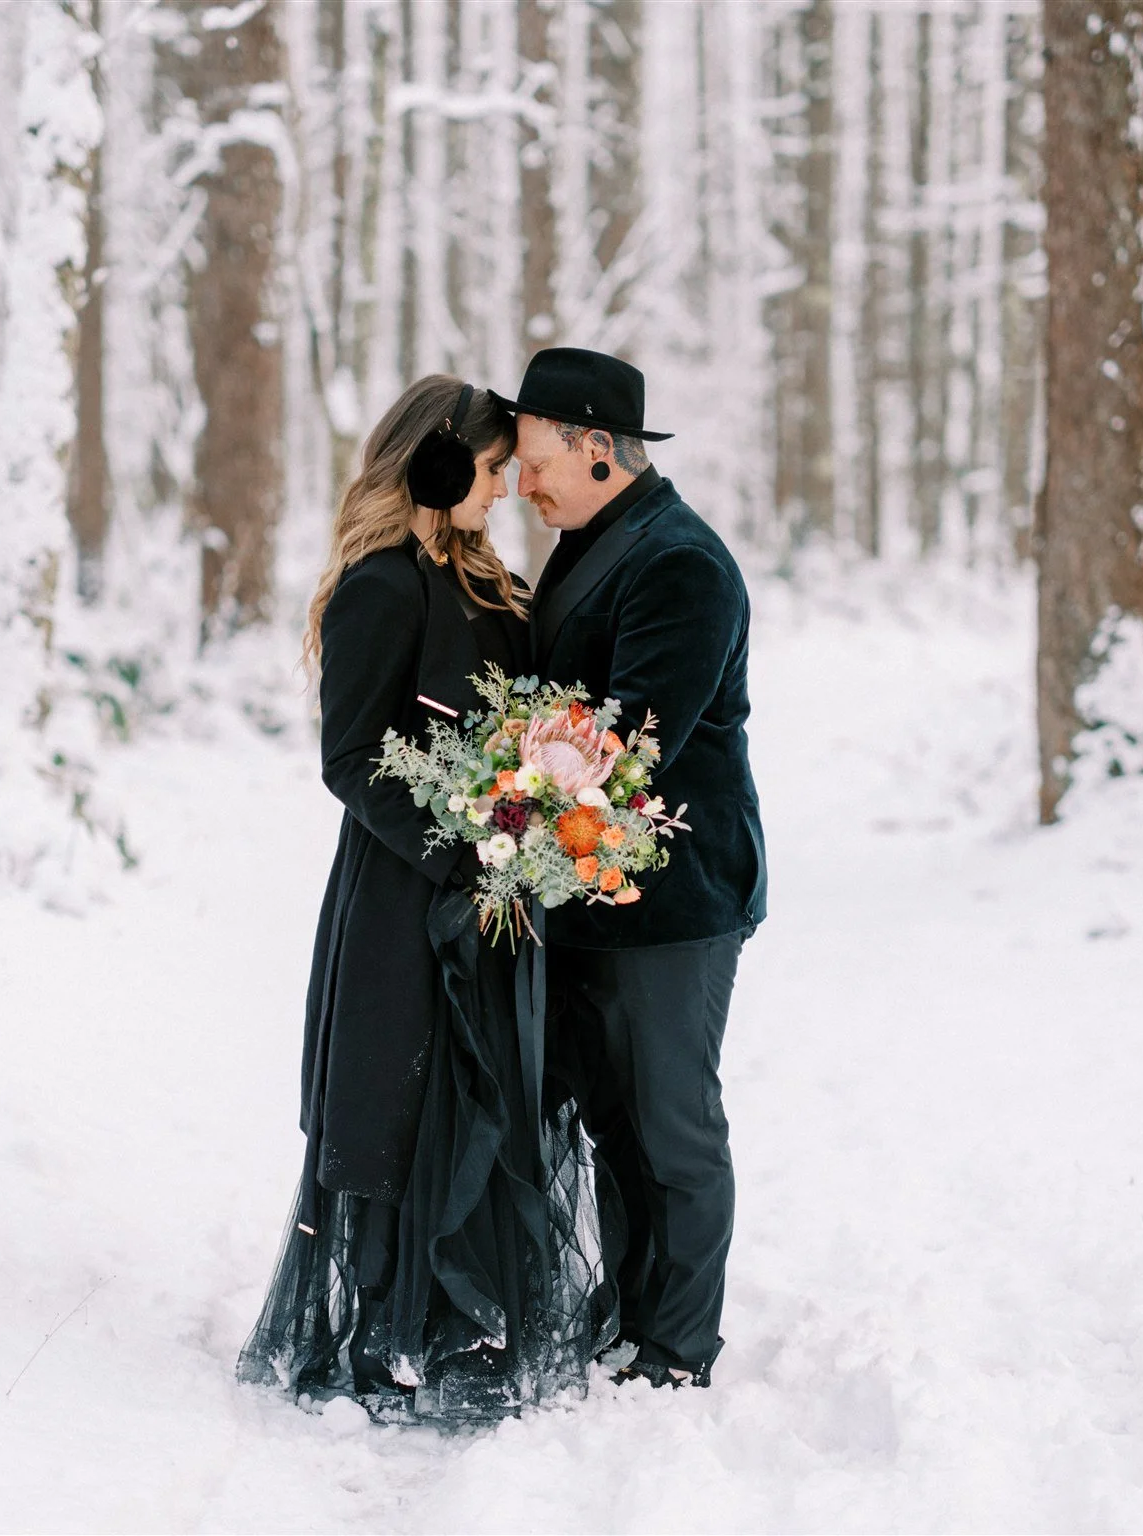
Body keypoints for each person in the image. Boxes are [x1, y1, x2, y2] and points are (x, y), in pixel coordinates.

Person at [237, 375, 611, 1423]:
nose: (499, 491)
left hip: (492, 890)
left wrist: (545, 800)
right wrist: (462, 846)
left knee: (492, 1097)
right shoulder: (381, 585)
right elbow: (352, 758)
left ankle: (473, 1323)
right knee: (418, 1100)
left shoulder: (482, 579)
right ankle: (424, 1330)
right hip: (409, 895)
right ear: (440, 465)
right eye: (491, 471)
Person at [512, 347, 768, 1389]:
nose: (523, 484)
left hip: (673, 899)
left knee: (670, 1127)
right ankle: (627, 1314)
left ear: (597, 450)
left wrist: (501, 774)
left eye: (536, 462)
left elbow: (630, 734)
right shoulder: (592, 538)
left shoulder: (679, 562)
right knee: (614, 1123)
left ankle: (675, 1349)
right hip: (594, 893)